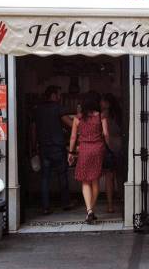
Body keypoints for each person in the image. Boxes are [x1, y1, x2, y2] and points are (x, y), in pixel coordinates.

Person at [69, 91, 110, 224]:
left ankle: (89, 211)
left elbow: (73, 137)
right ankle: (91, 210)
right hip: (98, 149)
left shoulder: (78, 118)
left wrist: (70, 152)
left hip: (84, 149)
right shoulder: (101, 116)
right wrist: (107, 146)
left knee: (85, 181)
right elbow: (106, 133)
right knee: (95, 180)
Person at [32, 85, 73, 215]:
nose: (60, 97)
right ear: (54, 95)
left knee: (45, 178)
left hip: (44, 148)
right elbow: (70, 124)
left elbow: (33, 129)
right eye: (59, 95)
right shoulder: (58, 108)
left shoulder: (38, 109)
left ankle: (45, 207)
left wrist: (34, 146)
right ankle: (65, 203)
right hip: (57, 147)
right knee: (62, 175)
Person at [100, 93, 123, 214]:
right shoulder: (119, 114)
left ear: (107, 103)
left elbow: (105, 134)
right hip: (120, 145)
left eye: (102, 101)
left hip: (109, 146)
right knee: (120, 173)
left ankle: (110, 205)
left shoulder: (104, 115)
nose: (100, 103)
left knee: (109, 176)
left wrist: (109, 146)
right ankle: (122, 196)